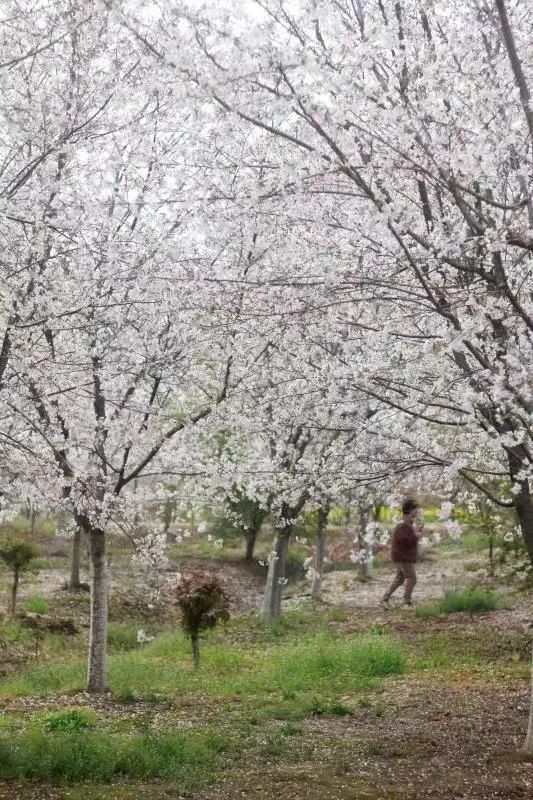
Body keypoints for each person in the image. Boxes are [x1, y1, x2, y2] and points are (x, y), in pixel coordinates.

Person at [381, 499, 423, 609]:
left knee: (400, 578)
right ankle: (406, 602)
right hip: (402, 557)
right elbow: (405, 541)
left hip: (401, 556)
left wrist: (415, 533)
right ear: (410, 510)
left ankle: (384, 599)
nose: (417, 512)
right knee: (412, 578)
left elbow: (408, 539)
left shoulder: (408, 524)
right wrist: (416, 536)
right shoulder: (403, 525)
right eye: (415, 509)